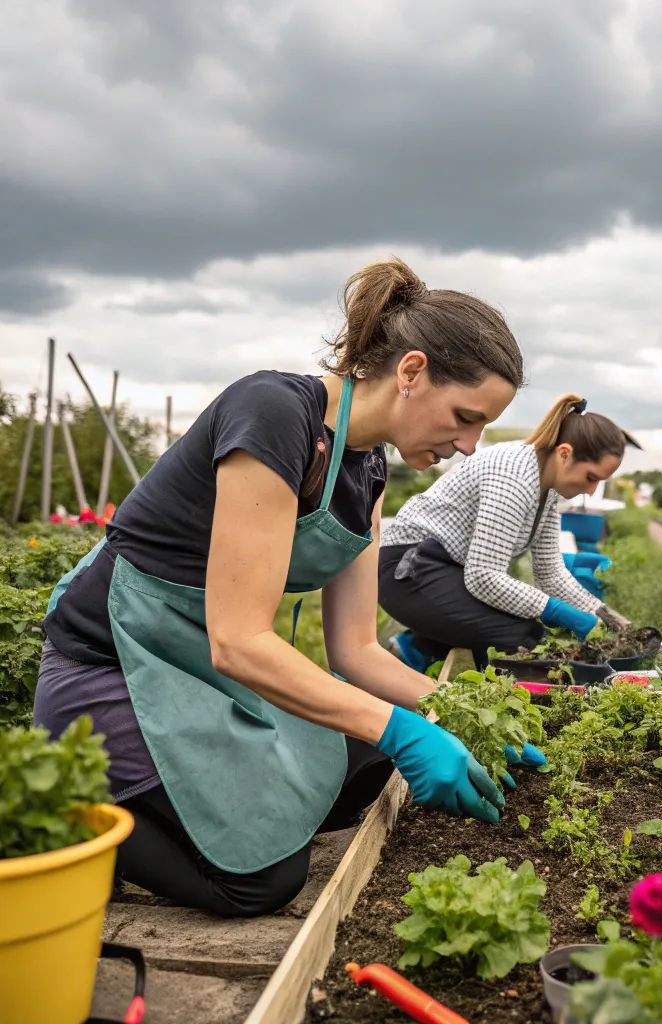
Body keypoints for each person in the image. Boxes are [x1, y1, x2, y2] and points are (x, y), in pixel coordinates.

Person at [34, 258, 546, 917]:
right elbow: (240, 642)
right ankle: (65, 811)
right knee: (260, 882)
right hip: (114, 669)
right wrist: (405, 729)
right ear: (412, 372)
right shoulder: (274, 414)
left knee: (362, 768)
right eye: (466, 416)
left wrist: (461, 715)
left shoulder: (368, 469)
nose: (471, 446)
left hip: (197, 668)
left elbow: (357, 651)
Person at [378, 393, 638, 670]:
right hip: (408, 570)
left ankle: (419, 649)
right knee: (521, 637)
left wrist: (609, 618)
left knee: (520, 622)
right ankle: (424, 658)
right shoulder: (514, 476)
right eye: (590, 477)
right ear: (565, 454)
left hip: (443, 570)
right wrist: (557, 612)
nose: (591, 490)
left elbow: (550, 573)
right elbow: (483, 577)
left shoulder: (545, 490)